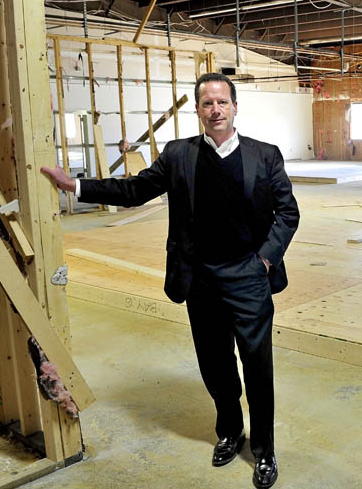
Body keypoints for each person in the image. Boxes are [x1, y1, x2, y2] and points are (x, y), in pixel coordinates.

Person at [41, 73, 299, 489]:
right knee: (215, 365)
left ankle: (264, 448)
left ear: (235, 107)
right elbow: (135, 189)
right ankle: (230, 432)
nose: (215, 110)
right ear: (198, 110)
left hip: (249, 278)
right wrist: (77, 185)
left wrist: (265, 262)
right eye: (207, 104)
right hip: (199, 279)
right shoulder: (179, 155)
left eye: (222, 102)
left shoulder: (265, 156)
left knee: (257, 365)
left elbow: (288, 213)